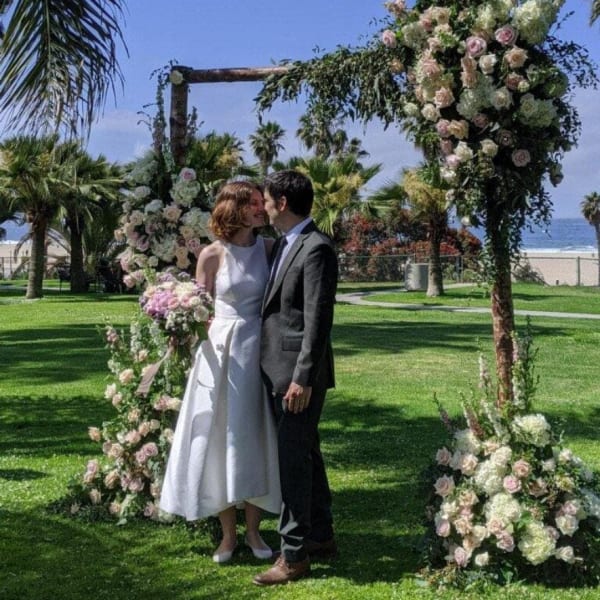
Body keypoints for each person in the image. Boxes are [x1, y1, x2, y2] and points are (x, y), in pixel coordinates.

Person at [160, 180, 281, 564]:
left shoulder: (269, 249)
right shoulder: (211, 255)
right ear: (234, 208)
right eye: (254, 203)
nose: (261, 208)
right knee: (221, 437)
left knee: (254, 436)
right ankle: (228, 535)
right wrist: (180, 322)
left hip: (258, 349)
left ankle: (254, 531)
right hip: (220, 353)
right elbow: (200, 308)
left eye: (261, 203)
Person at [253, 170, 338, 586]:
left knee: (292, 463)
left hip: (296, 375)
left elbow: (318, 321)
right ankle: (320, 536)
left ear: (282, 203)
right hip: (279, 367)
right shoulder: (285, 244)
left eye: (267, 200)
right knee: (306, 454)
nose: (264, 207)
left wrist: (302, 378)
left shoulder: (316, 247)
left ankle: (293, 555)